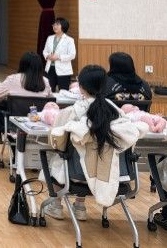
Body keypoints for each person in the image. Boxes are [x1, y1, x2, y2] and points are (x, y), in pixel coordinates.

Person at [43, 65, 146, 221]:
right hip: (112, 174)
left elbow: (57, 140)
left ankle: (56, 205)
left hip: (76, 174)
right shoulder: (116, 111)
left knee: (63, 156)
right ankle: (79, 206)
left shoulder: (71, 112)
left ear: (81, 87)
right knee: (87, 155)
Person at [42, 17, 76, 92]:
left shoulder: (69, 40)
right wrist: (48, 56)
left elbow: (72, 55)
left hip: (64, 70)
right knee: (49, 91)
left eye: (57, 24)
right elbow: (45, 51)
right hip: (50, 69)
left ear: (63, 26)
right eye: (54, 24)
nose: (54, 26)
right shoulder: (49, 38)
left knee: (63, 92)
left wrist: (58, 57)